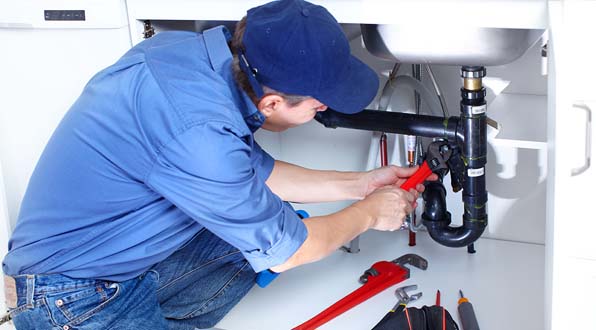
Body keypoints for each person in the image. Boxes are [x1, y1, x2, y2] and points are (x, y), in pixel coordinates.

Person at [2, 0, 430, 329]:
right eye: (318, 106)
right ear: (273, 102)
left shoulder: (190, 55)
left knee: (254, 237)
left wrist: (361, 185)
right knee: (278, 239)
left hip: (113, 262)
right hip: (70, 298)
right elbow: (292, 250)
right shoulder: (200, 133)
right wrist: (370, 215)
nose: (322, 111)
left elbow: (252, 172)